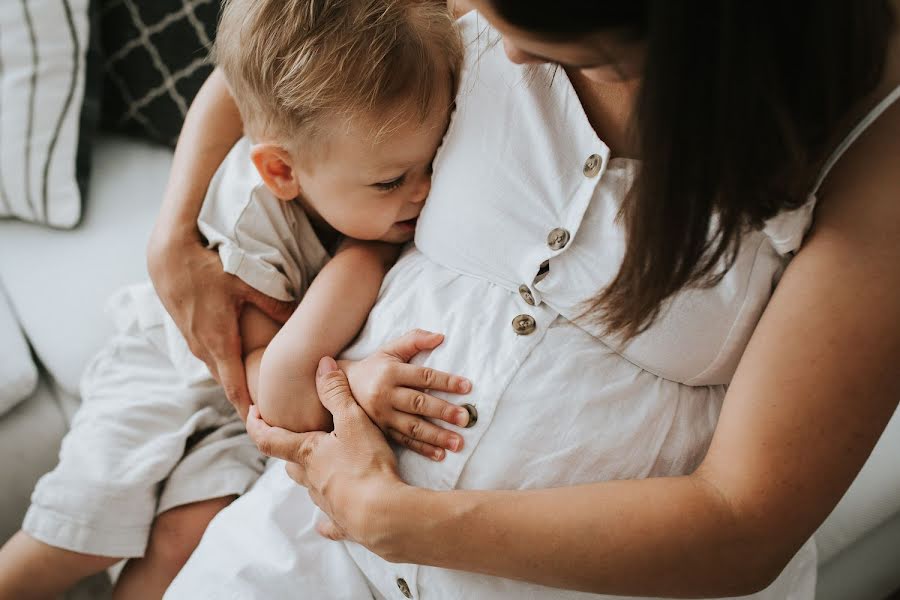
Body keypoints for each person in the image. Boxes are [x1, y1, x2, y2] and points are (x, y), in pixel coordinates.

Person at [161, 1, 899, 599]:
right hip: (315, 542)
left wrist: (405, 520)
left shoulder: (872, 148)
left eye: (558, 44)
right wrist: (175, 232)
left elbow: (743, 521)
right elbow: (283, 56)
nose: (504, 55)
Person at [0, 1, 465, 598]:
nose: (424, 191)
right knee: (79, 530)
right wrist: (353, 367)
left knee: (184, 539)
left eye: (431, 162)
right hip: (177, 369)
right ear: (280, 172)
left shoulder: (365, 181)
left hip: (238, 419)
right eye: (391, 181)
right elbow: (269, 387)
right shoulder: (254, 227)